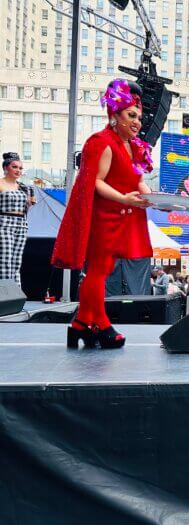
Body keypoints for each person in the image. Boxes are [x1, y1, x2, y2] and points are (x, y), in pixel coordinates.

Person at [52, 79, 153, 349]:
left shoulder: (130, 146)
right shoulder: (101, 142)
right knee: (98, 271)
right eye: (131, 115)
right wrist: (123, 198)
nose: (137, 122)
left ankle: (81, 324)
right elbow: (94, 181)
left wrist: (150, 196)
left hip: (122, 216)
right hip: (104, 217)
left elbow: (137, 180)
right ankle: (101, 324)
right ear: (114, 115)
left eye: (139, 117)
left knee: (102, 270)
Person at [1, 152, 35, 284]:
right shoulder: (1, 184)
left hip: (21, 223)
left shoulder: (23, 187)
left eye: (20, 168)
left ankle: (15, 297)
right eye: (15, 167)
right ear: (5, 168)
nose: (18, 170)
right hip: (4, 222)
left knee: (16, 261)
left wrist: (30, 202)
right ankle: (4, 297)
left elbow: (26, 209)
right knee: (5, 260)